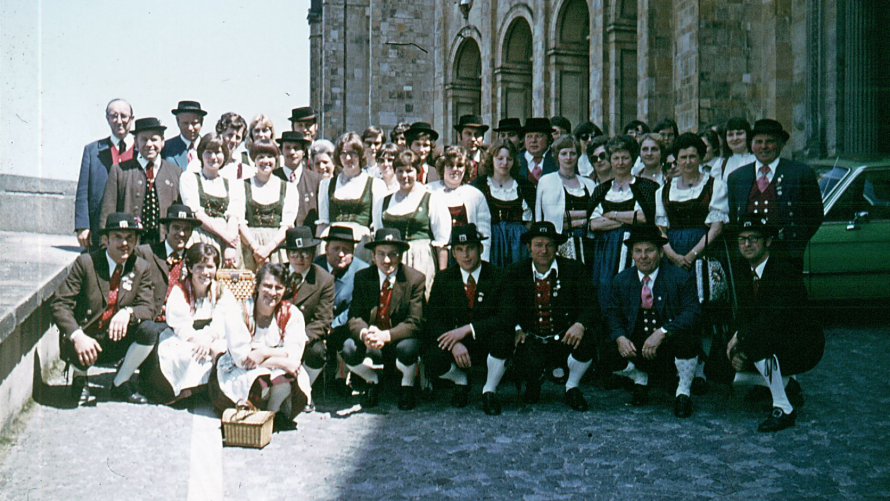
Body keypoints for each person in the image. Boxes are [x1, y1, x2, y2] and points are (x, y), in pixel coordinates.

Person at [725, 215, 824, 432]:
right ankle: (786, 384)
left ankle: (783, 407)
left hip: (802, 342)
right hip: (769, 337)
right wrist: (735, 347)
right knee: (719, 364)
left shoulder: (783, 271)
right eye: (742, 239)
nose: (747, 244)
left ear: (768, 241)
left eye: (753, 238)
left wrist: (742, 338)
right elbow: (744, 314)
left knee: (756, 340)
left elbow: (775, 318)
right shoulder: (744, 270)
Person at [52, 213, 157, 406]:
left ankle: (121, 382)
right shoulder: (86, 263)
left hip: (117, 340)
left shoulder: (141, 267)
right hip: (86, 339)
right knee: (73, 332)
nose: (124, 243)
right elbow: (59, 304)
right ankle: (80, 377)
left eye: (130, 238)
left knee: (150, 330)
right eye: (118, 237)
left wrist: (128, 313)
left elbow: (148, 307)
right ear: (105, 239)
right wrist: (77, 336)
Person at [602, 225, 701, 417]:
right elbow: (611, 313)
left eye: (649, 250)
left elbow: (693, 313)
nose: (643, 256)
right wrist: (621, 338)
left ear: (661, 253)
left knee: (688, 339)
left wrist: (663, 332)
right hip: (636, 346)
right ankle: (640, 377)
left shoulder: (680, 277)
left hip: (668, 347)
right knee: (605, 346)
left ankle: (682, 392)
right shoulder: (622, 280)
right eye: (638, 251)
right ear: (632, 254)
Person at [500, 222, 599, 411]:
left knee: (587, 341)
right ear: (529, 247)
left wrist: (580, 324)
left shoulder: (573, 269)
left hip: (564, 337)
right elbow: (506, 306)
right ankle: (533, 380)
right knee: (518, 351)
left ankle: (572, 386)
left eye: (549, 245)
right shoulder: (515, 272)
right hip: (531, 339)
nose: (543, 250)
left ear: (556, 247)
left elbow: (591, 304)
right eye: (538, 245)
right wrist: (517, 328)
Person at [211, 263, 310, 432]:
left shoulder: (291, 314)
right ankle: (252, 414)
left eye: (278, 288)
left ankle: (273, 413)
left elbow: (294, 356)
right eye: (267, 286)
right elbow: (243, 360)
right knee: (259, 378)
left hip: (268, 364)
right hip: (239, 368)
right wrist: (281, 361)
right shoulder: (238, 310)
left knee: (289, 378)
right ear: (257, 286)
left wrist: (263, 352)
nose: (272, 293)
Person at [424, 224, 512, 414]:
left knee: (503, 340)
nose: (466, 255)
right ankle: (460, 381)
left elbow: (505, 317)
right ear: (453, 253)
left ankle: (489, 390)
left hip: (486, 340)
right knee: (431, 357)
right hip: (457, 345)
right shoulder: (444, 279)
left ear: (480, 248)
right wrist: (453, 343)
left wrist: (467, 329)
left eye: (471, 248)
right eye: (460, 250)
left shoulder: (499, 275)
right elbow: (433, 319)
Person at [726, 119, 823, 271]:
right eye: (758, 141)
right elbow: (733, 219)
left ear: (780, 144)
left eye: (770, 141)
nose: (764, 147)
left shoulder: (800, 173)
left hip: (786, 256)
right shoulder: (737, 177)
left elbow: (815, 216)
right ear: (751, 145)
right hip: (748, 258)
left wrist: (796, 245)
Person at [343, 229, 426, 410]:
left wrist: (386, 335)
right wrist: (365, 333)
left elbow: (416, 322)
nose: (386, 260)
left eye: (392, 254)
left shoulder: (414, 279)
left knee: (409, 348)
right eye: (381, 254)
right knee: (348, 348)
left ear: (401, 256)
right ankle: (372, 380)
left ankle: (407, 384)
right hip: (373, 341)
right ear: (373, 256)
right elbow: (355, 316)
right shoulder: (363, 277)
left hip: (398, 340)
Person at [143, 243, 235, 403]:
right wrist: (200, 341)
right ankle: (191, 392)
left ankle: (219, 390)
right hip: (185, 338)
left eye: (210, 267)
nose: (205, 272)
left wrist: (208, 339)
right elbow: (181, 326)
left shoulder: (220, 291)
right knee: (186, 355)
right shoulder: (180, 291)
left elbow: (223, 320)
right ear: (190, 268)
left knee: (223, 351)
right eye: (199, 267)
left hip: (212, 336)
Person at [588, 135, 659, 309]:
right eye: (616, 158)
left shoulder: (646, 187)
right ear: (610, 160)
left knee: (634, 293)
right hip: (606, 252)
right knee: (606, 292)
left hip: (634, 249)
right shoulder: (601, 190)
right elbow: (594, 224)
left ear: (633, 159)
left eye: (625, 158)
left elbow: (644, 218)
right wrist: (628, 219)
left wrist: (612, 214)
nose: (620, 163)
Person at [374, 149, 451, 296]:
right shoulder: (384, 201)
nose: (404, 176)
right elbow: (378, 237)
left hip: (421, 258)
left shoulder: (431, 198)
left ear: (418, 171)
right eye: (400, 171)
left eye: (409, 171)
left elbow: (442, 244)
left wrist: (442, 278)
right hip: (391, 259)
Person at [100, 117, 181, 245]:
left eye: (154, 139)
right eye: (143, 139)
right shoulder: (120, 171)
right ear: (136, 143)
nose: (149, 144)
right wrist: (105, 245)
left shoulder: (176, 173)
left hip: (163, 244)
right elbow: (107, 211)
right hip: (130, 245)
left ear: (163, 142)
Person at [655, 133, 729, 271]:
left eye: (692, 157)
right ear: (676, 160)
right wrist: (673, 256)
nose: (687, 162)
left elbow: (716, 228)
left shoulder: (716, 186)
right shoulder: (663, 191)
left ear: (700, 158)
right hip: (672, 254)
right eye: (683, 157)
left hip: (706, 252)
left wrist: (691, 255)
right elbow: (660, 230)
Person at [280, 227, 335, 411]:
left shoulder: (323, 280)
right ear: (287, 254)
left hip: (305, 337)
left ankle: (303, 390)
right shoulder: (275, 273)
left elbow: (323, 319)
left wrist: (301, 338)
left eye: (305, 253)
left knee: (318, 352)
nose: (300, 258)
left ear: (313, 253)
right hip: (276, 334)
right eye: (294, 253)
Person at [317, 132, 388, 259]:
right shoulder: (326, 184)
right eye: (344, 153)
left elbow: (378, 226)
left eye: (353, 153)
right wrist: (319, 257)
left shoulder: (375, 185)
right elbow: (323, 223)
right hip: (333, 242)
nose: (348, 158)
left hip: (361, 244)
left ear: (360, 155)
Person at [76, 98, 135, 249]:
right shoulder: (92, 150)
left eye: (124, 116)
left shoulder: (141, 150)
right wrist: (82, 226)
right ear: (107, 118)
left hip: (132, 227)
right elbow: (83, 191)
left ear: (132, 118)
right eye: (114, 116)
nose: (119, 121)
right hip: (101, 226)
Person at [313, 226, 370, 380]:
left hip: (345, 325)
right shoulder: (315, 266)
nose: (340, 254)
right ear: (326, 248)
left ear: (353, 251)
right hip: (319, 321)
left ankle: (344, 375)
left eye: (346, 249)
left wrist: (332, 325)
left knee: (349, 344)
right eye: (336, 248)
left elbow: (356, 307)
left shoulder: (363, 271)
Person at [179, 132, 244, 268]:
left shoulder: (231, 183)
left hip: (226, 241)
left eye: (218, 152)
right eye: (208, 152)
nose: (213, 157)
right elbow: (196, 213)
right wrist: (225, 235)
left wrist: (230, 246)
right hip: (200, 236)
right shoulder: (189, 178)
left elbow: (233, 216)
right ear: (201, 154)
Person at [472, 140, 535, 267]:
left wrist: (518, 233)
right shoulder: (479, 185)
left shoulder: (524, 186)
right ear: (491, 159)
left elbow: (531, 219)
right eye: (500, 158)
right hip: (492, 240)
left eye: (509, 159)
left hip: (518, 244)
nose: (504, 163)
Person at [535, 135, 596, 262]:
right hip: (560, 242)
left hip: (588, 243)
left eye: (572, 153)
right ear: (557, 156)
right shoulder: (546, 181)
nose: (568, 158)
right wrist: (584, 218)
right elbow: (550, 216)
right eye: (564, 153)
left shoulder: (589, 184)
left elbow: (597, 214)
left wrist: (570, 218)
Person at [239, 139, 298, 270]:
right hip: (249, 249)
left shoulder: (288, 188)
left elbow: (287, 225)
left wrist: (268, 249)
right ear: (254, 160)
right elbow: (240, 222)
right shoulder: (242, 186)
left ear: (276, 159)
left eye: (270, 156)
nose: (266, 161)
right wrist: (256, 248)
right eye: (261, 157)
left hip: (276, 249)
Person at [426, 146, 493, 262]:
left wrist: (482, 261)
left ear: (466, 168)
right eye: (450, 165)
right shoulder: (428, 191)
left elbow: (484, 231)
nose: (455, 169)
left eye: (460, 165)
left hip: (466, 255)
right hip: (436, 256)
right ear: (443, 168)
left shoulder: (475, 195)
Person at [273, 131, 323, 230]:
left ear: (304, 152)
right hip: (279, 240)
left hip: (308, 239)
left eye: (296, 148)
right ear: (281, 151)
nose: (292, 152)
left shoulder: (315, 179)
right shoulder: (273, 177)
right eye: (287, 148)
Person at [162, 101, 207, 171]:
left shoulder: (209, 147)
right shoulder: (165, 148)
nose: (190, 128)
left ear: (201, 122)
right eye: (185, 123)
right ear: (177, 122)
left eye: (194, 123)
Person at [517, 117, 557, 185]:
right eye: (529, 136)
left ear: (549, 139)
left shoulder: (558, 159)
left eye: (538, 136)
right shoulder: (515, 160)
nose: (533, 141)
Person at [217, 112, 254, 180]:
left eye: (238, 137)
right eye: (230, 135)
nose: (233, 140)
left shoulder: (244, 170)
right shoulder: (209, 164)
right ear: (220, 134)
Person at [454, 114, 489, 181]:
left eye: (477, 134)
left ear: (483, 138)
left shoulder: (489, 160)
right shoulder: (452, 158)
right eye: (468, 134)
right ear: (459, 136)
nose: (473, 139)